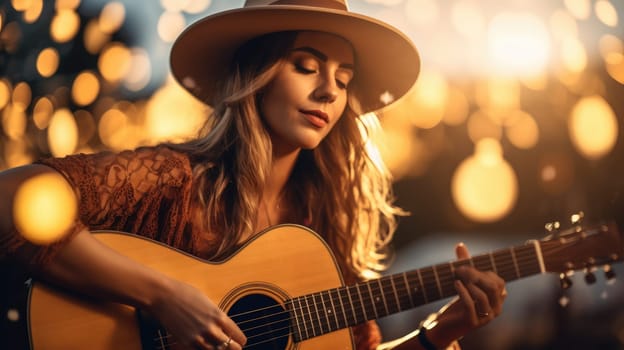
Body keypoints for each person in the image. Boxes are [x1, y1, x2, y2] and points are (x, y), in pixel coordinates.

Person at [0, 0, 506, 349]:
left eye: (343, 80)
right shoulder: (171, 179)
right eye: (306, 65)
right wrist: (162, 295)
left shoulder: (322, 228)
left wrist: (440, 331)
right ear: (256, 76)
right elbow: (10, 198)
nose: (330, 91)